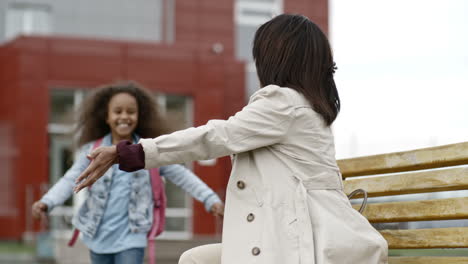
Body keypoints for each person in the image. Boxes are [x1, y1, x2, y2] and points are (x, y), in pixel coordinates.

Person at [74, 14, 388, 264]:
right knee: (195, 258)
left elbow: (217, 136)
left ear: (275, 60)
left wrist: (130, 153)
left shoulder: (284, 103)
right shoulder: (305, 108)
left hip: (305, 246)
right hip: (288, 238)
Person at [32, 82, 224, 264]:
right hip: (97, 235)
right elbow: (70, 179)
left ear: (139, 116)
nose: (124, 116)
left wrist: (210, 199)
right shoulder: (93, 151)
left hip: (133, 236)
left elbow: (184, 177)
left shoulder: (148, 152)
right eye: (117, 111)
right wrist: (47, 202)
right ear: (107, 117)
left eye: (131, 112)